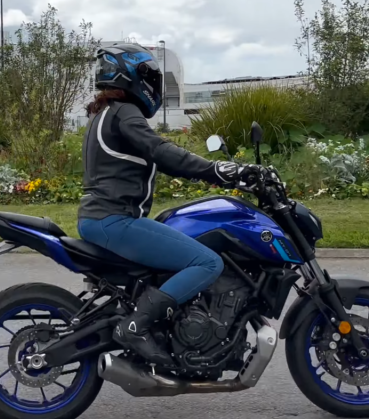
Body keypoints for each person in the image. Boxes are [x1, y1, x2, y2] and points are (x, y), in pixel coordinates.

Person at [77, 43, 259, 366]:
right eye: (149, 76)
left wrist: (210, 172)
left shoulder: (104, 114)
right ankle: (135, 327)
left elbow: (159, 156)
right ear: (133, 75)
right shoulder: (124, 112)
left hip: (102, 219)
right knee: (208, 263)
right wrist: (218, 170)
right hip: (114, 220)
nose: (154, 83)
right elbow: (161, 151)